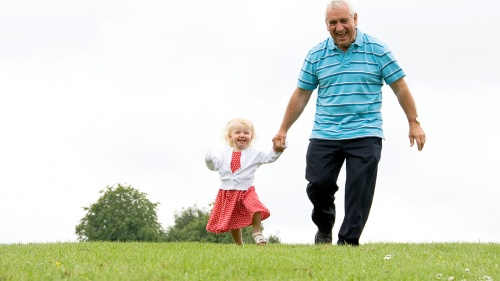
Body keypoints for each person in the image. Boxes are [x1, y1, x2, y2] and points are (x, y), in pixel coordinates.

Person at [272, 0, 426, 246]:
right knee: (318, 184)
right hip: (325, 133)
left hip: (365, 132)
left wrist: (413, 122)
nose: (339, 27)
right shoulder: (316, 55)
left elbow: (400, 87)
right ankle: (324, 228)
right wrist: (283, 129)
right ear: (326, 25)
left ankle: (347, 241)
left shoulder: (377, 50)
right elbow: (301, 94)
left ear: (355, 19)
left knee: (359, 190)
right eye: (333, 23)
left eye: (344, 21)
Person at [205, 118, 286, 245]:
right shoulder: (223, 153)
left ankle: (257, 233)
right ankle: (239, 244)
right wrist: (209, 159)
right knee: (233, 219)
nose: (242, 135)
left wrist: (278, 150)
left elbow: (270, 157)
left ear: (251, 136)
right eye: (237, 132)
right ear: (230, 137)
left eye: (246, 133)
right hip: (228, 192)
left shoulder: (254, 154)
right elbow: (213, 167)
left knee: (256, 207)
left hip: (246, 190)